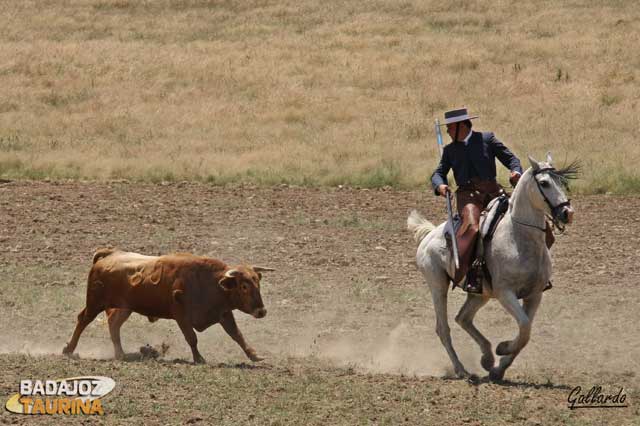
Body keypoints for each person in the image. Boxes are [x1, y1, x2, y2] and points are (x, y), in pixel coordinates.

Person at [431, 108, 522, 293]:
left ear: (460, 126)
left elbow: (511, 159)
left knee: (522, 217)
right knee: (473, 227)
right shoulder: (450, 151)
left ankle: (536, 270)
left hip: (494, 193)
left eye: (450, 127)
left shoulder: (487, 139)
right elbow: (438, 173)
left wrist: (516, 171)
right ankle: (471, 273)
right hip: (468, 198)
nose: (448, 131)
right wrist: (440, 185)